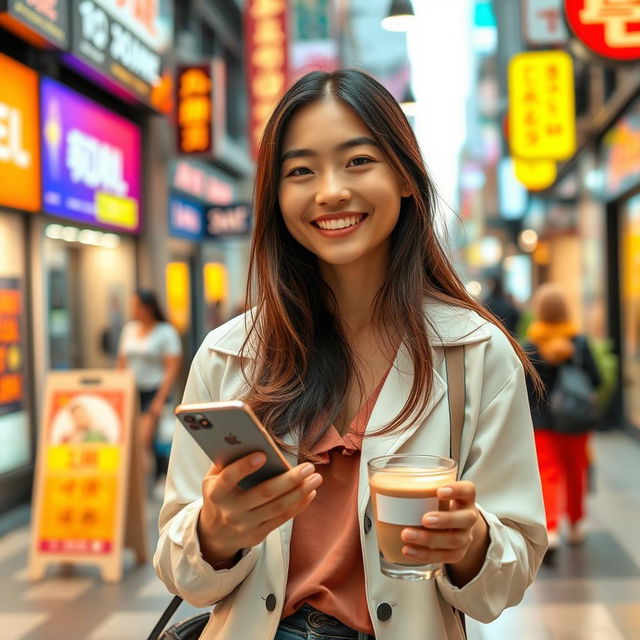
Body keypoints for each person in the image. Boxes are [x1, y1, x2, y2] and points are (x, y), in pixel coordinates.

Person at [154, 69, 547, 640]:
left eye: (358, 161)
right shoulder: (227, 356)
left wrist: (470, 541)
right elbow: (180, 570)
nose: (330, 190)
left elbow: (503, 585)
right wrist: (215, 530)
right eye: (300, 171)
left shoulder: (476, 354)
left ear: (406, 177)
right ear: (277, 196)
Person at [524, 283, 601, 564]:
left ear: (539, 311)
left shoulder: (530, 347)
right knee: (575, 471)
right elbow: (596, 379)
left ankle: (552, 529)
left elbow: (525, 389)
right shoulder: (579, 343)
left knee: (548, 474)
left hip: (542, 423)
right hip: (575, 421)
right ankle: (577, 524)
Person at [117, 290, 182, 476]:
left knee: (146, 438)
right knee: (133, 438)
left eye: (137, 305)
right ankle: (143, 480)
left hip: (154, 389)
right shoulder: (129, 330)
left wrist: (160, 399)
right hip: (131, 389)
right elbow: (121, 362)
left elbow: (172, 368)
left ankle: (156, 476)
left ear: (149, 307)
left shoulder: (165, 332)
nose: (133, 310)